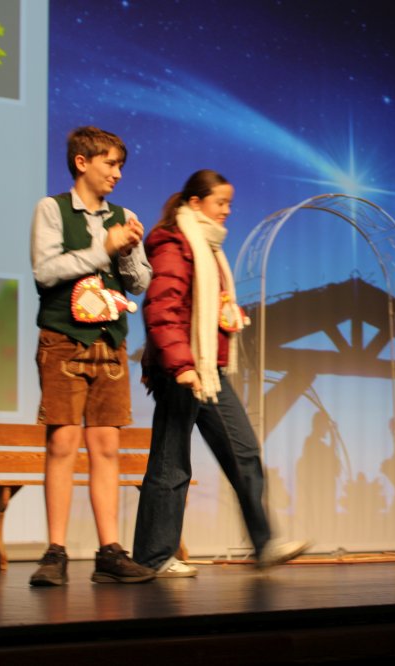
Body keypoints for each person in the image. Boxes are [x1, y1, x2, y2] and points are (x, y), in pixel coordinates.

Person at [132, 169, 308, 577]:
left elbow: (200, 305)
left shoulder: (208, 248)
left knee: (243, 450)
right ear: (195, 202)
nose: (227, 210)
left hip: (208, 370)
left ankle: (264, 543)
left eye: (229, 203)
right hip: (181, 370)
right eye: (220, 202)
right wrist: (182, 366)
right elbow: (162, 308)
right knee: (171, 463)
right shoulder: (173, 243)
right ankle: (154, 557)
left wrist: (227, 316)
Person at [29, 126, 154, 585]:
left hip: (110, 342)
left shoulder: (125, 216)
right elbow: (46, 271)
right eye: (110, 163)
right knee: (62, 443)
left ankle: (110, 551)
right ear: (82, 162)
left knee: (106, 447)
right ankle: (55, 551)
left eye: (121, 165)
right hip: (64, 339)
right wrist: (103, 246)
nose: (117, 173)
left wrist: (129, 250)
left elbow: (139, 282)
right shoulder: (52, 209)